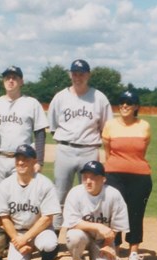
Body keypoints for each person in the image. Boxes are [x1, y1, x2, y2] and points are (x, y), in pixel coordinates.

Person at [47, 59, 113, 230]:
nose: (78, 77)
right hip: (65, 149)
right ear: (70, 74)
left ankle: (86, 235)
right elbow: (53, 126)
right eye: (75, 73)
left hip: (89, 150)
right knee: (60, 194)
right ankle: (54, 236)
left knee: (89, 193)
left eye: (81, 73)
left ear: (88, 75)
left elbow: (107, 127)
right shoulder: (60, 97)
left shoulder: (99, 98)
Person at [0, 145, 61, 260]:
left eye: (25, 159)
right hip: (17, 233)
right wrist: (18, 240)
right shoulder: (6, 185)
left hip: (40, 231)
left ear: (34, 162)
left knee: (49, 243)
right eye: (18, 159)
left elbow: (47, 219)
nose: (21, 162)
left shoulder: (44, 184)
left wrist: (27, 239)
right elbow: (3, 217)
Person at [102, 91, 152, 260]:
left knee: (135, 214)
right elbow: (108, 152)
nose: (124, 106)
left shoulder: (144, 126)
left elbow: (141, 152)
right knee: (114, 213)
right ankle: (114, 249)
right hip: (114, 174)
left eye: (129, 103)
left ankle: (133, 253)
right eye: (121, 102)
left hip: (140, 176)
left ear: (136, 107)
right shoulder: (110, 125)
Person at [63, 161, 129, 260]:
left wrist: (108, 244)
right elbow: (72, 222)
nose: (88, 181)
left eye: (93, 177)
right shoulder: (75, 193)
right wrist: (98, 226)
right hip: (83, 235)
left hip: (102, 240)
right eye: (85, 177)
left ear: (103, 179)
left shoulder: (113, 195)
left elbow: (117, 226)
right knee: (73, 236)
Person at [0, 66, 48, 187]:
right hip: (0, 158)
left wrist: (39, 162)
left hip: (23, 159)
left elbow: (40, 133)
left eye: (14, 78)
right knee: (0, 197)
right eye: (7, 78)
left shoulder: (31, 103)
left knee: (22, 195)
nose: (10, 81)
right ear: (3, 81)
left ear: (21, 81)